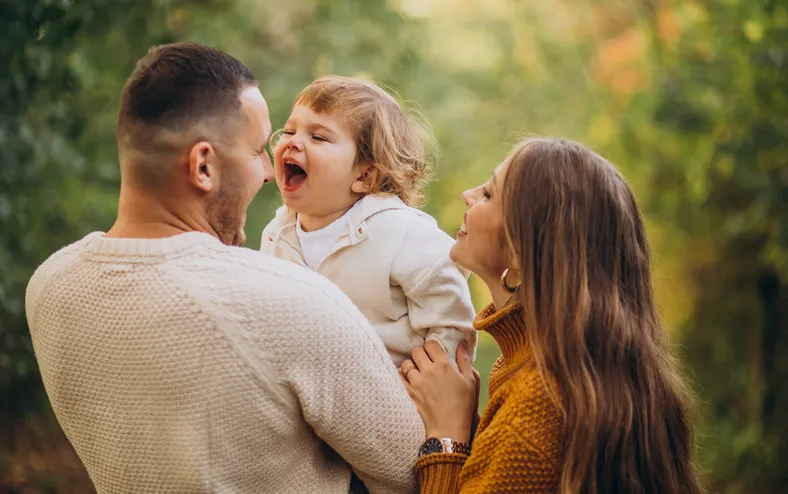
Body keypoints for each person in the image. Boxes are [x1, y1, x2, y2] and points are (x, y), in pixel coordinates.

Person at [25, 42, 424, 493]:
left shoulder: (49, 285)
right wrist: (450, 427)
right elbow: (414, 476)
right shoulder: (291, 303)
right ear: (203, 167)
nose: (268, 172)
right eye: (258, 151)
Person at [401, 137, 703, 493]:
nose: (468, 194)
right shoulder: (578, 373)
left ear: (519, 252)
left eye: (488, 195)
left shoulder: (535, 406)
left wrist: (447, 440)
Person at [261, 76, 477, 366]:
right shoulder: (277, 235)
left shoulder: (399, 231)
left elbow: (449, 308)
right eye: (288, 130)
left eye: (318, 137)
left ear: (364, 176)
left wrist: (433, 381)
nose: (293, 143)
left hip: (390, 395)